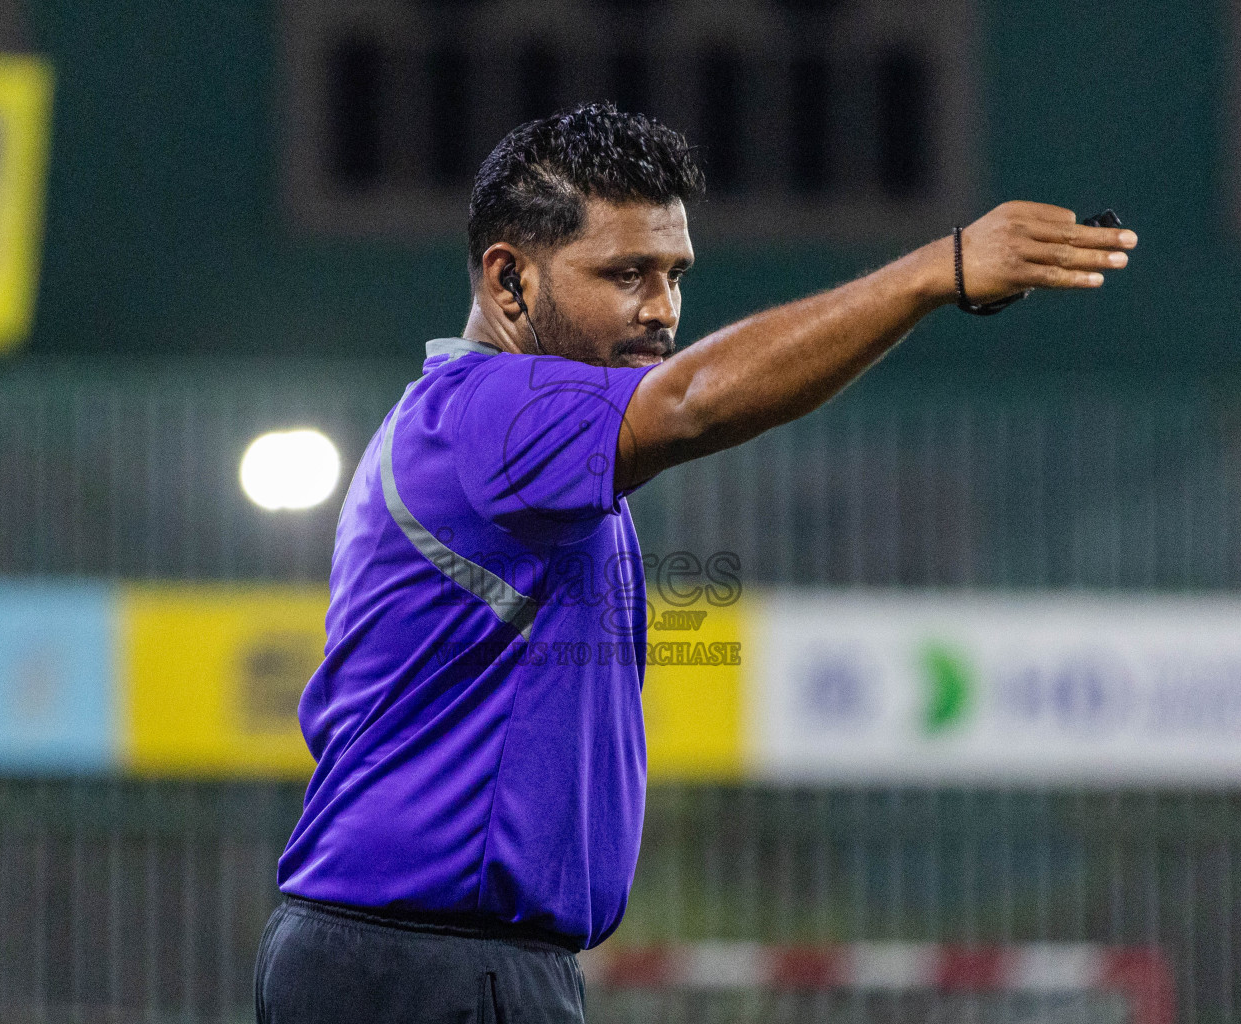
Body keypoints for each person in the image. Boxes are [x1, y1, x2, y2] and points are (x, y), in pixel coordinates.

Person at [255, 101, 1137, 1024]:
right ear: (509, 282)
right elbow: (693, 403)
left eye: (675, 273)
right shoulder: (487, 418)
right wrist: (932, 273)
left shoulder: (505, 438)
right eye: (626, 273)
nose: (662, 308)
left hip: (440, 962)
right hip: (420, 968)